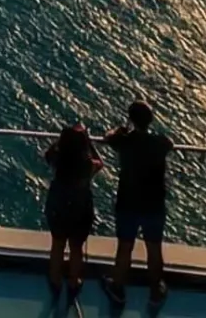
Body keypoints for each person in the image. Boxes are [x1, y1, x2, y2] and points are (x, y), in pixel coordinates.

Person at [101, 100, 175, 304]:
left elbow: (107, 137)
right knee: (154, 248)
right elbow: (170, 144)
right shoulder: (159, 143)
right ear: (150, 121)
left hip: (128, 202)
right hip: (154, 203)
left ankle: (118, 287)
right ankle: (155, 290)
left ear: (131, 119)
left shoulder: (124, 141)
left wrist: (119, 129)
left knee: (125, 246)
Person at [43, 123, 102, 300]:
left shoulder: (57, 159)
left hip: (58, 202)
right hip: (80, 205)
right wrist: (89, 142)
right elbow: (100, 163)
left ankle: (55, 281)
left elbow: (48, 153)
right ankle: (73, 281)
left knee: (58, 244)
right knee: (76, 247)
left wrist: (60, 141)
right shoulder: (87, 165)